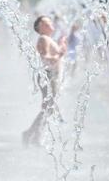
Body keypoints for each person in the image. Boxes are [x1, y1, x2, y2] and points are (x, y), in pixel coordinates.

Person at [22, 16, 67, 146]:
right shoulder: (43, 38)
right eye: (48, 22)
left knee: (49, 108)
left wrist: (61, 47)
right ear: (41, 25)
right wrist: (59, 54)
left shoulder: (48, 39)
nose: (51, 23)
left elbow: (54, 56)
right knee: (48, 107)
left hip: (51, 76)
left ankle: (35, 136)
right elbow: (45, 57)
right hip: (47, 76)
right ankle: (30, 134)